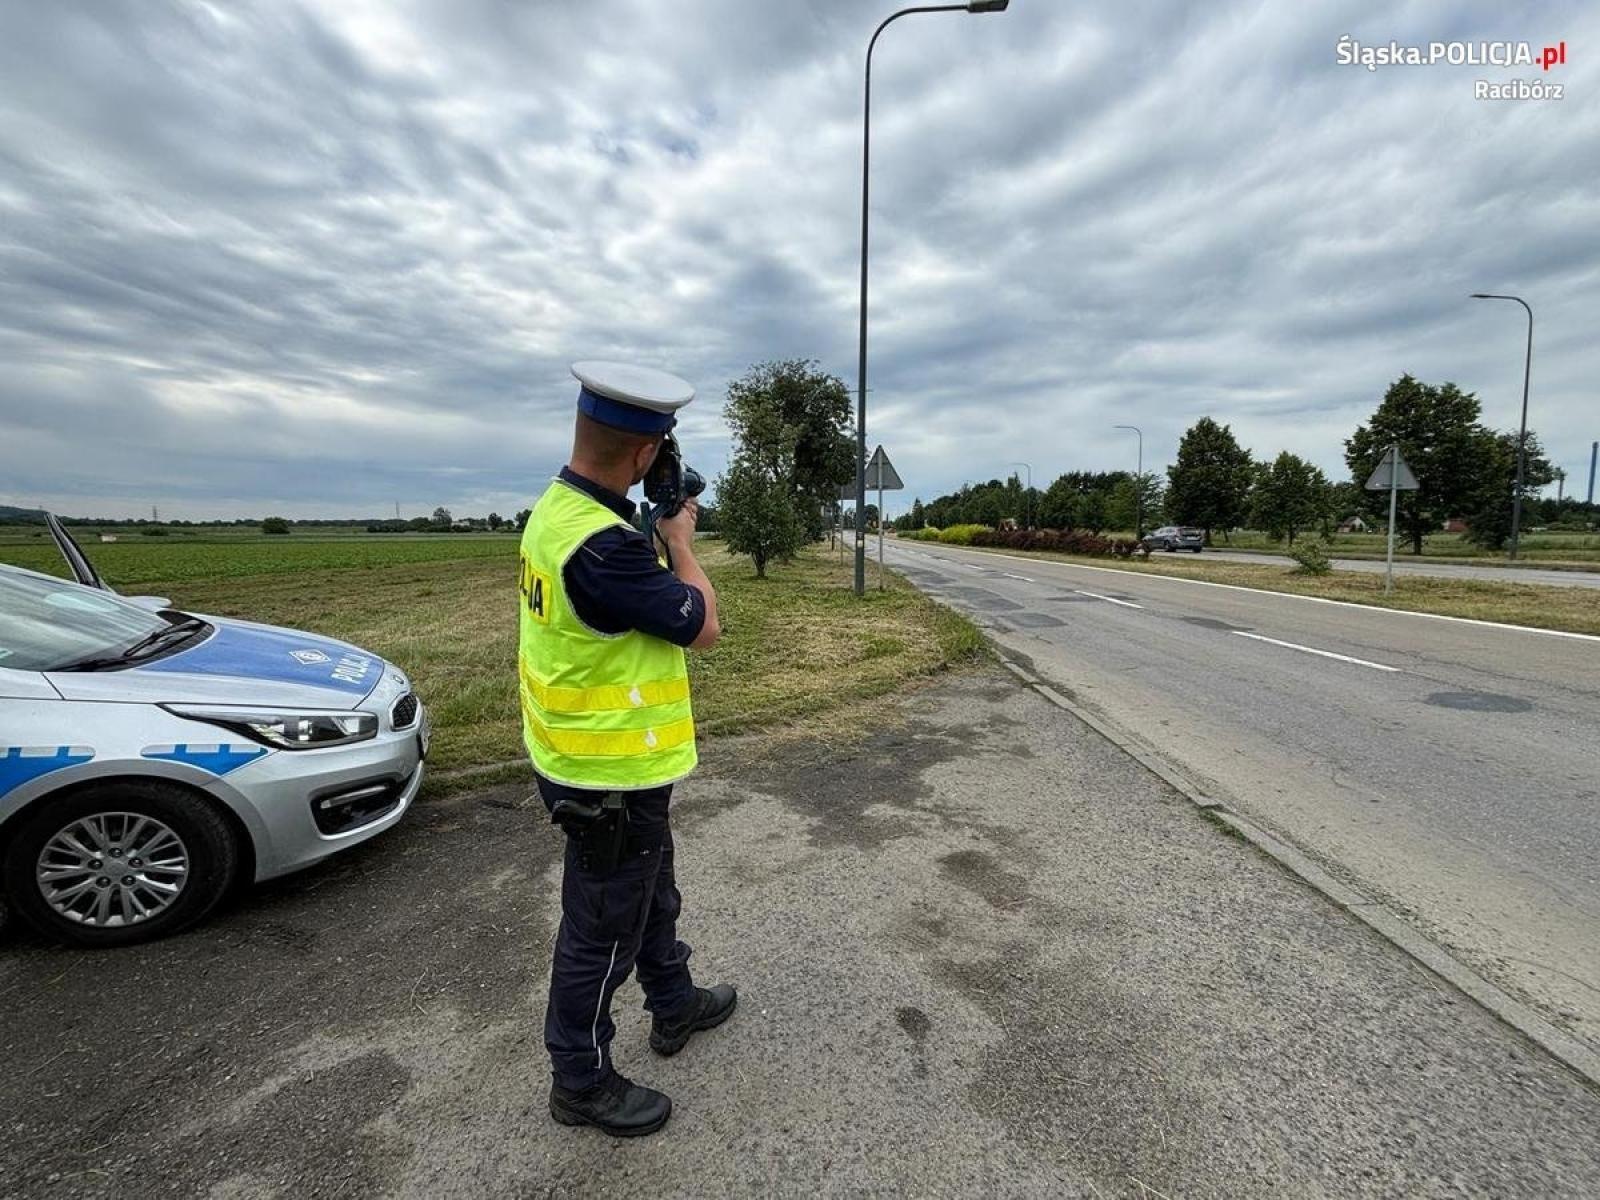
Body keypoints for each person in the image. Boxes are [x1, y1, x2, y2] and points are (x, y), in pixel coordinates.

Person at [518, 361, 736, 1138]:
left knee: (651, 893)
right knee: (598, 935)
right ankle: (580, 1080)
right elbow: (702, 625)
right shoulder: (604, 551)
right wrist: (680, 542)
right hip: (605, 775)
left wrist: (647, 528)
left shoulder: (560, 512)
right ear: (646, 455)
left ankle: (673, 1002)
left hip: (604, 766)